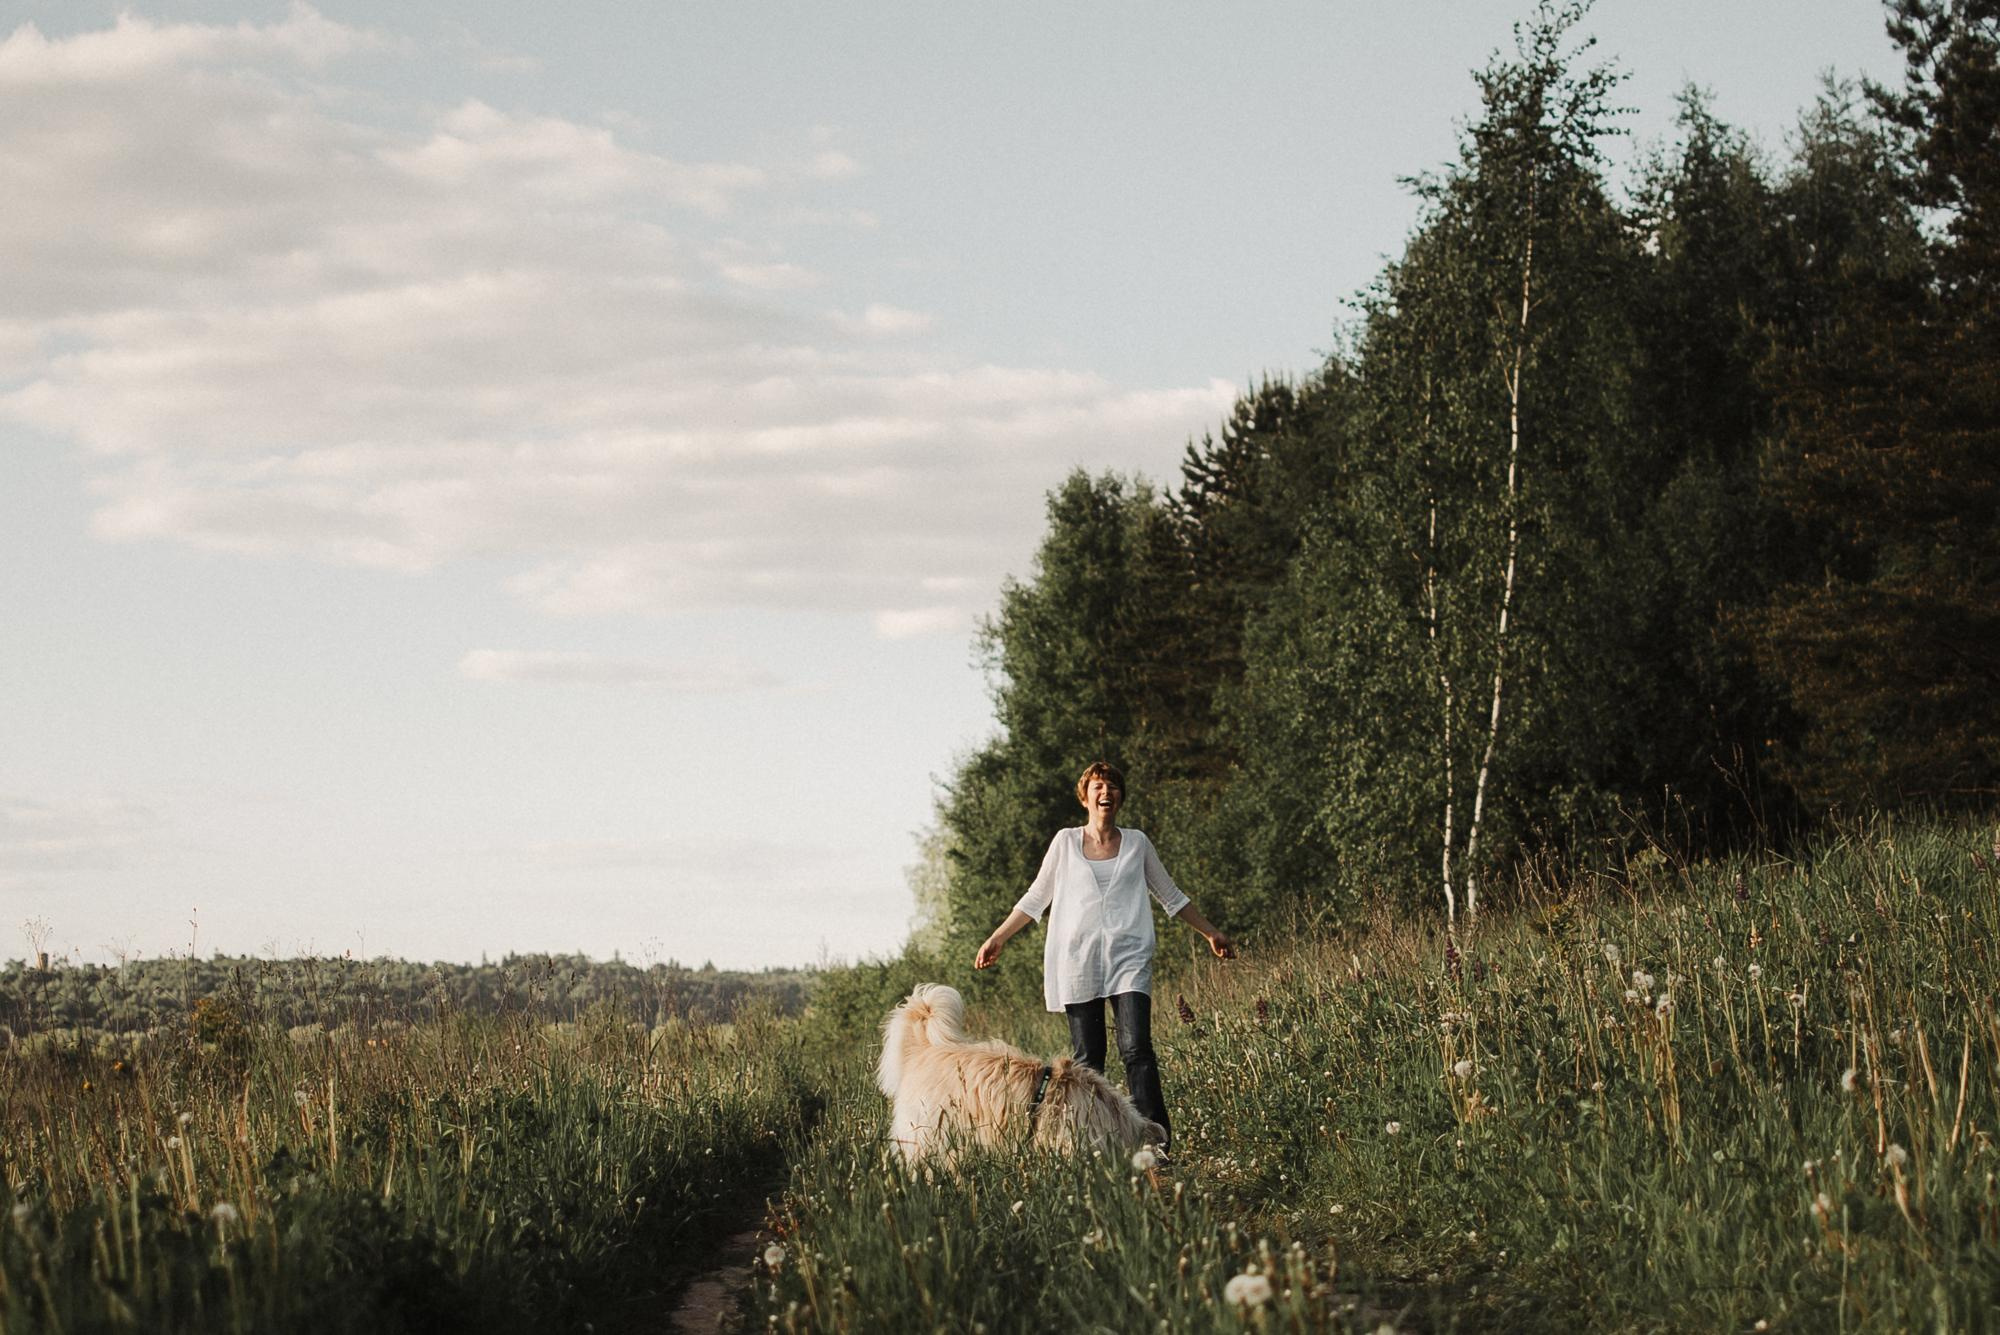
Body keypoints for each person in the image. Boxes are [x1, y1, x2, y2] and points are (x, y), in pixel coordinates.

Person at [973, 761, 1234, 1153]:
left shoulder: (1137, 843)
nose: (1105, 793)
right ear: (1085, 796)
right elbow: (1035, 899)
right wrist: (997, 938)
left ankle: (1155, 1141)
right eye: (1097, 786)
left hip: (1129, 958)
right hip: (1078, 962)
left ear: (1120, 797)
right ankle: (1097, 1143)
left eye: (1112, 786)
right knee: (1087, 1059)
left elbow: (1171, 896)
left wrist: (1211, 932)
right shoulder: (1064, 843)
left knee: (1136, 1049)